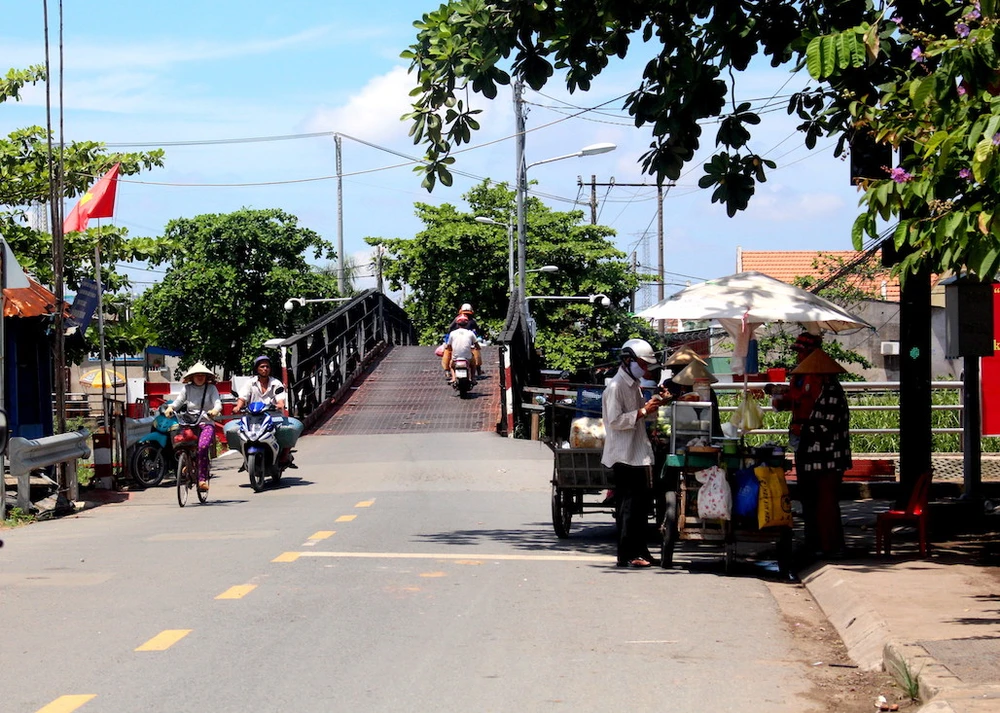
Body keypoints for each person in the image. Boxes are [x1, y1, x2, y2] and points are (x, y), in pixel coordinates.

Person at [601, 338, 665, 568]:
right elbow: (615, 421)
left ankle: (640, 550)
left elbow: (640, 415)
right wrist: (643, 411)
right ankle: (627, 554)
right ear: (628, 360)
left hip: (637, 453)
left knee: (640, 508)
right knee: (628, 508)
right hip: (623, 455)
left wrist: (654, 405)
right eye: (642, 364)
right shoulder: (616, 387)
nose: (645, 369)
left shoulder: (634, 385)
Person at [790, 348, 852, 556]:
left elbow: (826, 427)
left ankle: (829, 546)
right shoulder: (823, 391)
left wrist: (802, 429)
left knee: (826, 503)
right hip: (818, 456)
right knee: (818, 502)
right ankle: (820, 543)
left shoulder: (832, 392)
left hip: (829, 456)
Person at [229, 355, 304, 467]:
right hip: (253, 417)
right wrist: (238, 407)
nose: (265, 369)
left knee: (289, 429)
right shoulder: (250, 383)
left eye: (267, 367)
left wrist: (279, 404)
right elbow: (243, 397)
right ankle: (244, 455)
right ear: (257, 369)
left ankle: (284, 455)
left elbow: (280, 399)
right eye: (262, 366)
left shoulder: (276, 383)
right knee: (233, 430)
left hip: (273, 416)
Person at [165, 362, 221, 492]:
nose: (200, 377)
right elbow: (178, 402)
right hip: (190, 422)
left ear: (206, 377)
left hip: (206, 422)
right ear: (192, 377)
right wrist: (171, 408)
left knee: (203, 447)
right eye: (197, 375)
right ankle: (187, 463)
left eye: (202, 375)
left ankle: (202, 479)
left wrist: (214, 411)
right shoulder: (187, 389)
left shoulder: (211, 389)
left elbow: (218, 403)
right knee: (180, 442)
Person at [441, 316, 481, 384]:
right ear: (467, 324)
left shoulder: (452, 333)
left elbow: (449, 345)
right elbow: (477, 345)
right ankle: (473, 378)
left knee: (451, 365)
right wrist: (478, 348)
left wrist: (448, 348)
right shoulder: (471, 333)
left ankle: (453, 378)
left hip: (456, 357)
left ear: (457, 324)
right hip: (467, 357)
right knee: (473, 364)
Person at [447, 303, 484, 376]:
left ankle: (451, 374)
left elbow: (450, 329)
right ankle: (476, 372)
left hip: (456, 345)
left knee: (449, 358)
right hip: (469, 344)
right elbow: (478, 331)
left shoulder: (453, 331)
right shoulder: (471, 331)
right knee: (476, 353)